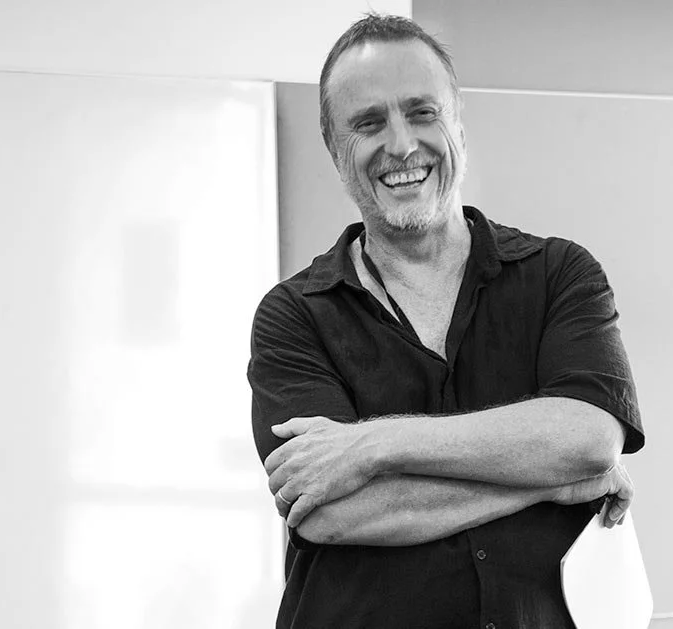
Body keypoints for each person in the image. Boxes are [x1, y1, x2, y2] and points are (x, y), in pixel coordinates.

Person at [247, 14, 645, 629]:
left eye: (421, 112)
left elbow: (589, 438)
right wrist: (550, 481)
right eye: (368, 123)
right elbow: (332, 513)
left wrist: (368, 445)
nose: (401, 145)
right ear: (334, 149)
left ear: (457, 121)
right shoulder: (294, 316)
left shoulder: (559, 273)